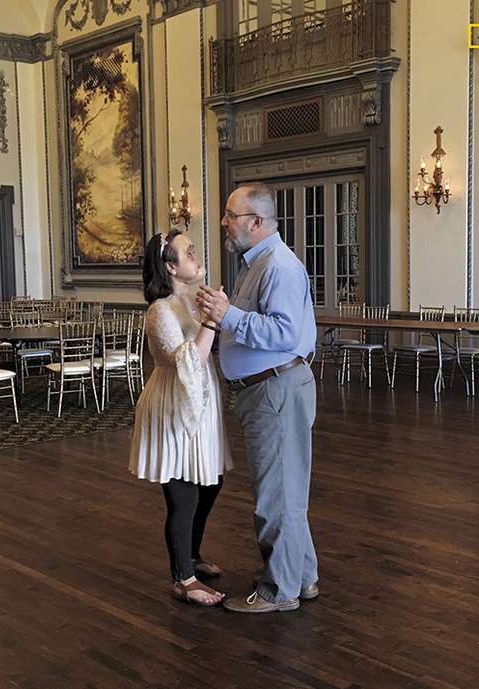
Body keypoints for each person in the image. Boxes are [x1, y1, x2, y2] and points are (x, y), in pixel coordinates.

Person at [196, 182, 319, 614]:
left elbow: (284, 333)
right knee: (286, 491)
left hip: (274, 390)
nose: (224, 223)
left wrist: (227, 315)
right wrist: (223, 315)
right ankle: (301, 576)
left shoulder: (278, 267)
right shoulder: (257, 263)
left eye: (231, 216)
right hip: (267, 390)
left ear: (256, 221)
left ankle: (279, 590)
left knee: (276, 496)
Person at [129, 229, 234, 606]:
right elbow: (190, 360)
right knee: (184, 492)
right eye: (188, 252)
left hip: (200, 404)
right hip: (172, 406)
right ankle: (183, 579)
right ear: (170, 267)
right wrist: (211, 322)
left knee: (211, 481)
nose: (196, 255)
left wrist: (216, 314)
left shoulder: (191, 300)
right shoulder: (160, 311)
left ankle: (192, 555)